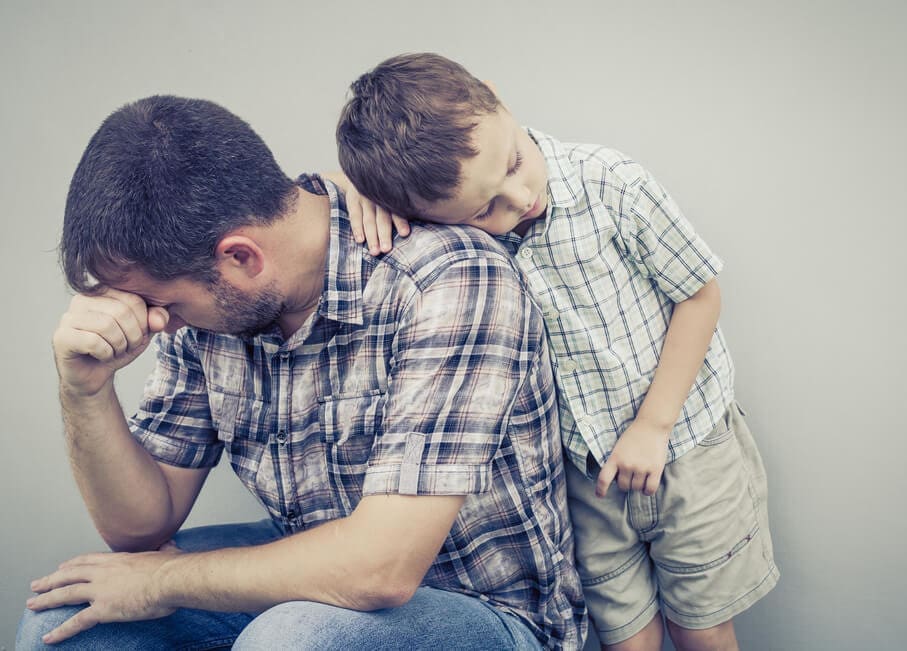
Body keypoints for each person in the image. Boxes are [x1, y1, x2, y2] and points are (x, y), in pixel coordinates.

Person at [17, 95, 585, 650]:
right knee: (64, 620)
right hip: (306, 573)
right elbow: (140, 528)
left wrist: (162, 583)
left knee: (294, 638)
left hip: (487, 612)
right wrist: (84, 389)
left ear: (240, 258)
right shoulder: (206, 311)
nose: (157, 323)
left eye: (168, 305)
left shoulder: (450, 278)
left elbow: (380, 570)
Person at [335, 53, 779, 651]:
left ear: (497, 98)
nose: (520, 200)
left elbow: (699, 296)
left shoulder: (610, 181)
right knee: (625, 634)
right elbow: (310, 199)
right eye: (484, 208)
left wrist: (654, 425)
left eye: (514, 163)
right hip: (585, 474)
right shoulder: (451, 240)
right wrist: (352, 190)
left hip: (687, 449)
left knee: (701, 627)